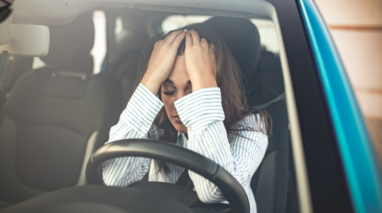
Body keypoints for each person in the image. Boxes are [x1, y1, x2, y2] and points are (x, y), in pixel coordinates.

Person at [102, 24, 269, 213]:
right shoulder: (157, 123)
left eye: (193, 90)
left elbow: (212, 192)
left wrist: (203, 82)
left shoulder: (251, 127)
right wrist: (151, 77)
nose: (179, 104)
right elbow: (114, 178)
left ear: (216, 87)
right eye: (169, 90)